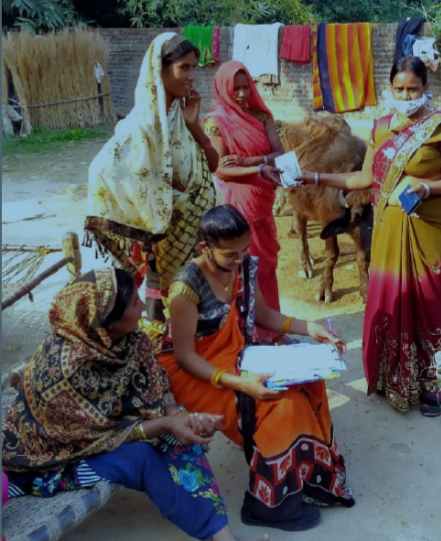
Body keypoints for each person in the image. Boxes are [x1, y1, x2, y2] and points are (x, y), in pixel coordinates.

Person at [1, 268, 267, 541]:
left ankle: (223, 536)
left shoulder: (128, 340)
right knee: (141, 457)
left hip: (105, 432)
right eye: (134, 303)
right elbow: (98, 438)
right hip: (52, 461)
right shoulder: (63, 370)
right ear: (109, 319)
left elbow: (157, 381)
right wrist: (166, 424)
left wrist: (175, 414)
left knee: (178, 433)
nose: (143, 307)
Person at [157, 205, 356, 532]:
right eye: (230, 254)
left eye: (244, 250)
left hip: (237, 355)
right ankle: (269, 505)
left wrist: (308, 327)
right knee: (277, 404)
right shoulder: (185, 287)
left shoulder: (242, 267)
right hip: (196, 372)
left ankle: (307, 480)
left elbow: (263, 314)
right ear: (204, 247)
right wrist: (238, 383)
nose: (240, 259)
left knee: (310, 385)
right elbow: (183, 356)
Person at [296, 57, 441, 416]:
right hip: (390, 230)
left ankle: (429, 386)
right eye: (399, 89)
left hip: (430, 230)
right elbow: (362, 180)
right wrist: (313, 178)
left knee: (427, 307)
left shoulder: (440, 127)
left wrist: (426, 187)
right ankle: (391, 378)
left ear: (426, 89)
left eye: (413, 89)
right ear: (390, 88)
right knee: (391, 304)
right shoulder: (381, 128)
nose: (406, 95)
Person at [85, 33, 219, 322]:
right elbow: (101, 171)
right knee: (164, 324)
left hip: (197, 242)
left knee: (196, 320)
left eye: (194, 67)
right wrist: (158, 196)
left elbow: (213, 166)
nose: (192, 76)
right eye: (184, 67)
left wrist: (195, 127)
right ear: (160, 70)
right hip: (165, 247)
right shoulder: (140, 126)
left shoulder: (180, 119)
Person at [203, 61, 285, 339]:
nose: (240, 94)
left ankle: (271, 330)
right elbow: (221, 168)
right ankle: (244, 332)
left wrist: (253, 161)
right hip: (238, 204)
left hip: (262, 201)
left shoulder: (261, 116)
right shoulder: (216, 122)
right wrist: (259, 169)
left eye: (244, 87)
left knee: (266, 268)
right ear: (223, 89)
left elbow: (279, 152)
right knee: (243, 268)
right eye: (234, 88)